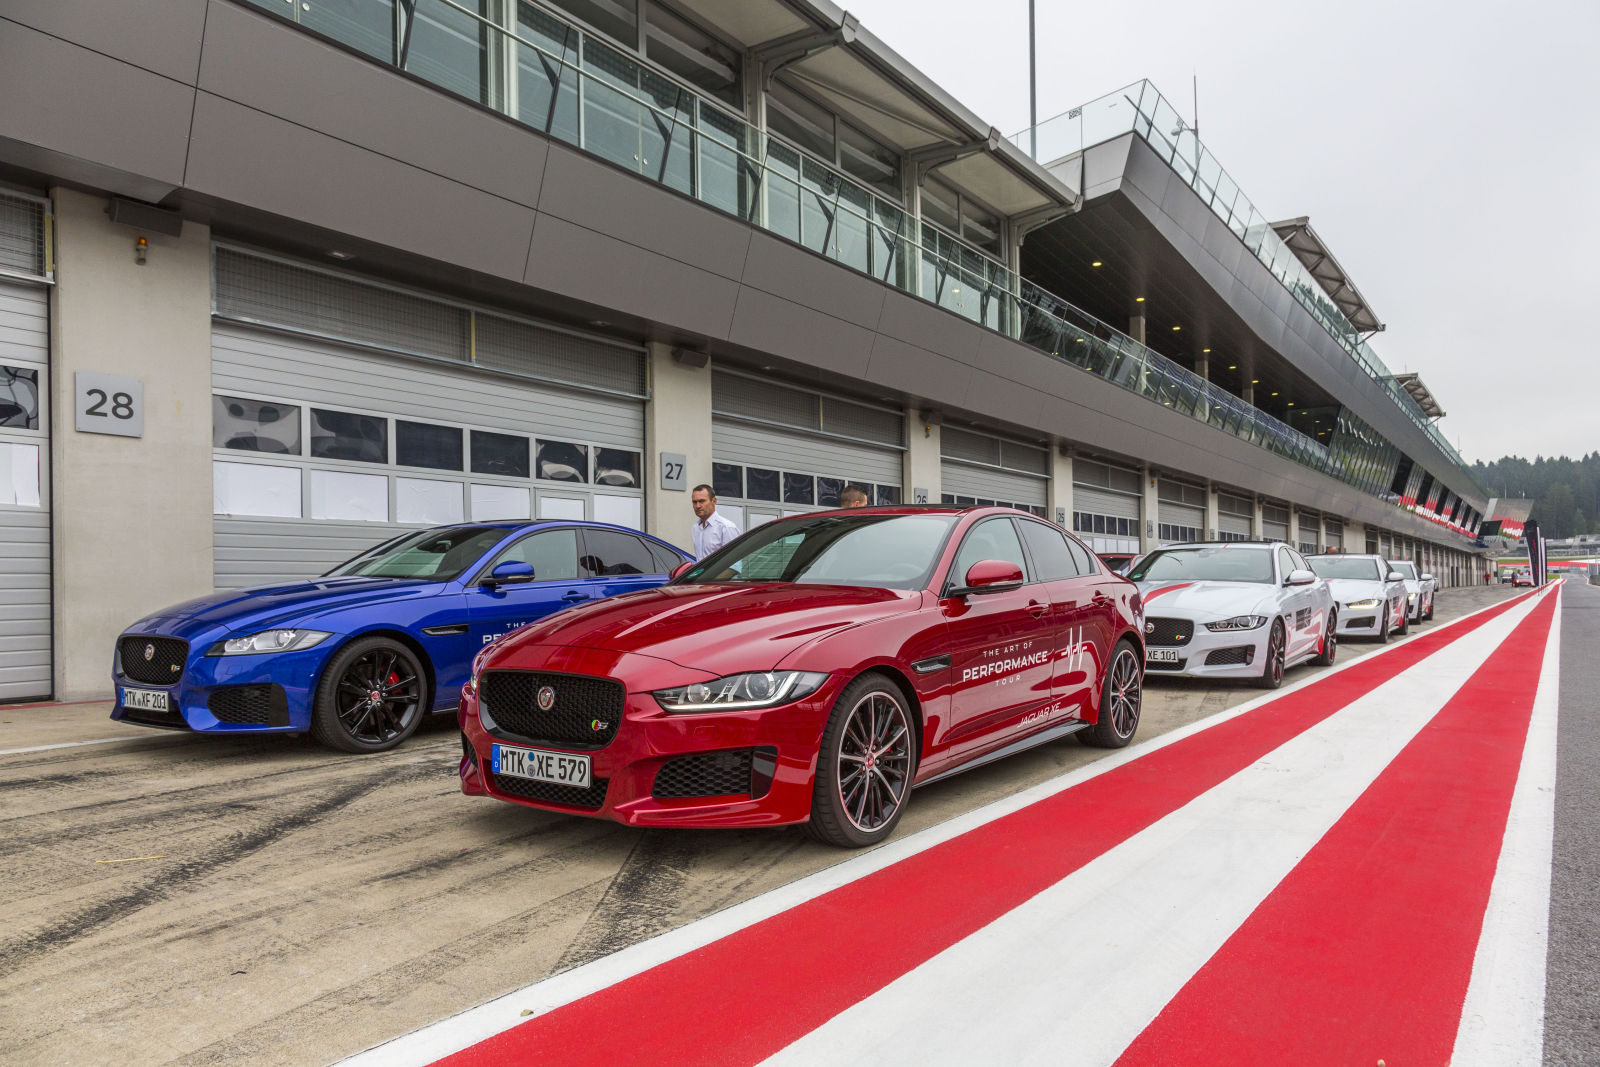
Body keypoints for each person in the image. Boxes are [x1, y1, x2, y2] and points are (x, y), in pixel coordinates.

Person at [690, 483, 739, 560]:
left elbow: (734, 562)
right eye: (694, 502)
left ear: (714, 501)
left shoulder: (726, 527)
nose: (698, 506)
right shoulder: (695, 528)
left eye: (702, 501)